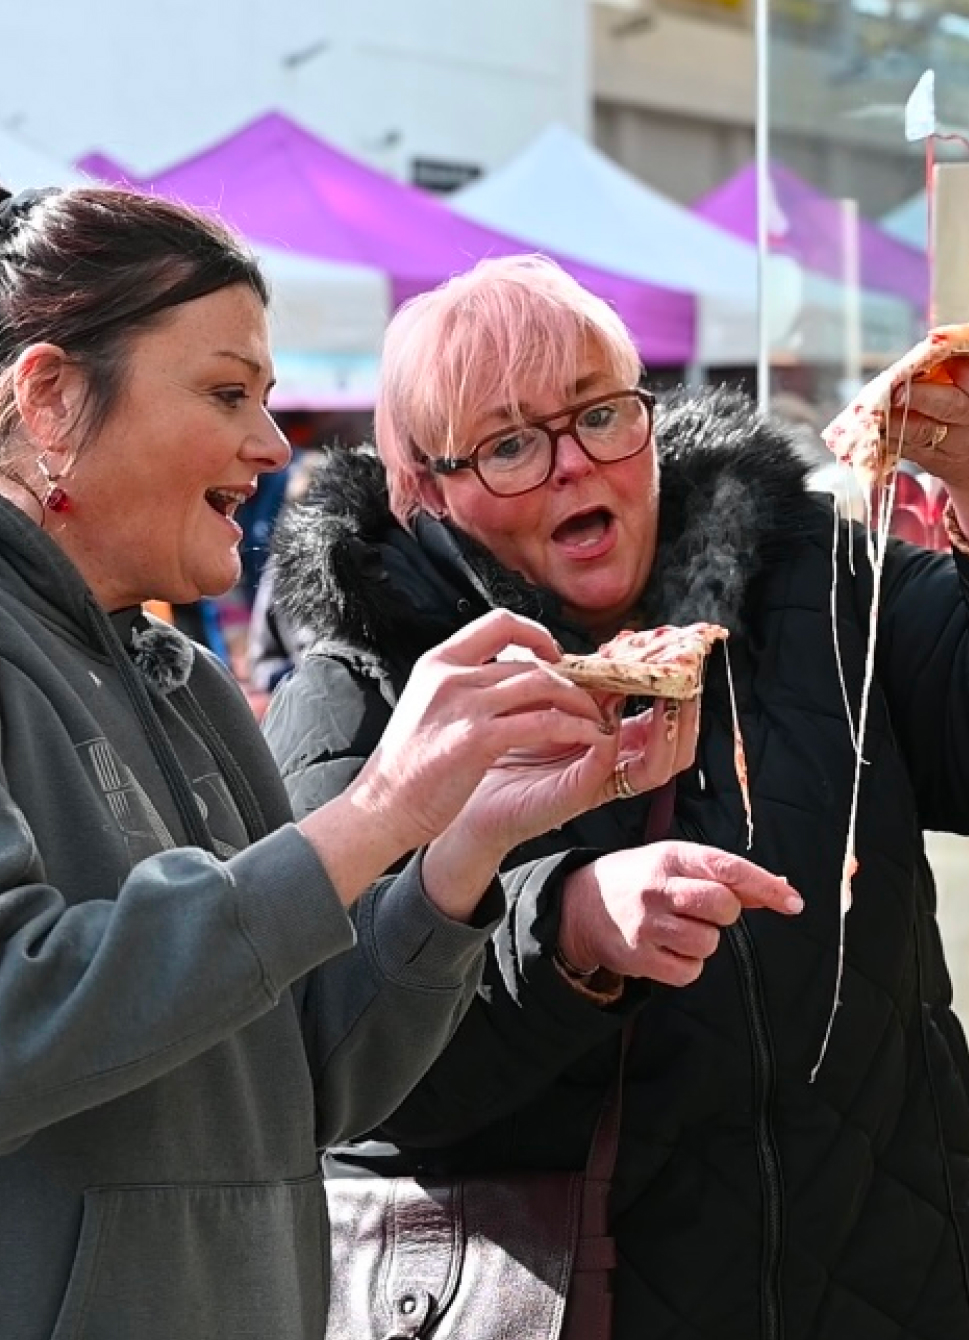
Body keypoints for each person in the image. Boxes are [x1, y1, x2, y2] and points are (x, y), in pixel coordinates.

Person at [263, 253, 969, 1340]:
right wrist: (573, 925)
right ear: (426, 489)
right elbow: (349, 1070)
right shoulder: (366, 683)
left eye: (602, 413)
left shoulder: (817, 584)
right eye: (507, 444)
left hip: (889, 1276)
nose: (571, 464)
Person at [0, 193, 667, 1340]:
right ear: (50, 395)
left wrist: (467, 844)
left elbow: (311, 1081)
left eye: (264, 398)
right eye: (226, 393)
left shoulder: (191, 680)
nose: (271, 447)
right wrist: (376, 808)